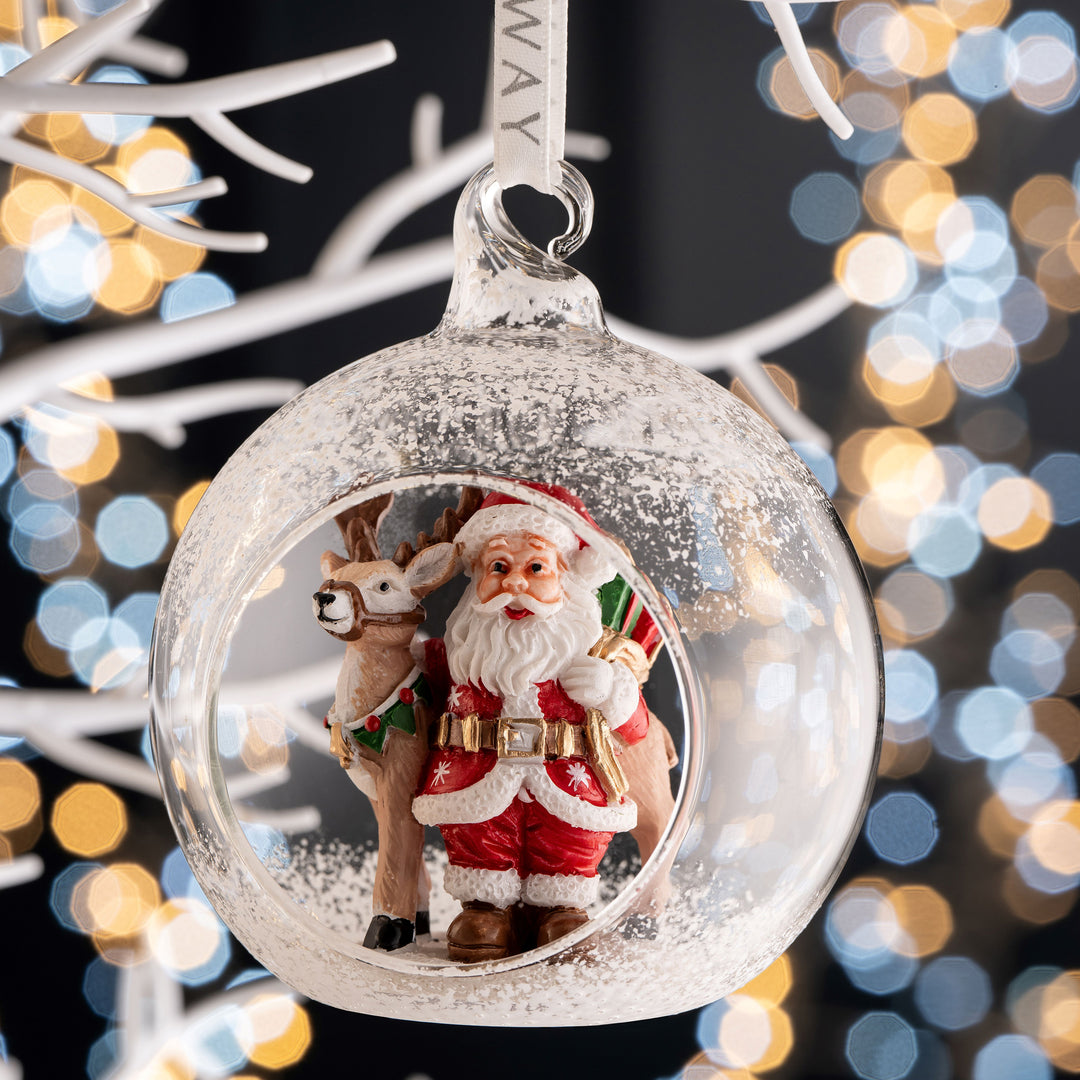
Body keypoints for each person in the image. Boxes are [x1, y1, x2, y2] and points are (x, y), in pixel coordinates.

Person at [411, 484, 649, 961]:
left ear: (567, 577)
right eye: (499, 567)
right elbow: (408, 682)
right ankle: (485, 909)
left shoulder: (589, 659)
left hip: (568, 785)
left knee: (569, 843)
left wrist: (608, 690)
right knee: (478, 835)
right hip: (473, 781)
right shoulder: (465, 655)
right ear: (477, 577)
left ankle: (560, 911)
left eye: (535, 568)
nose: (515, 583)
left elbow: (634, 727)